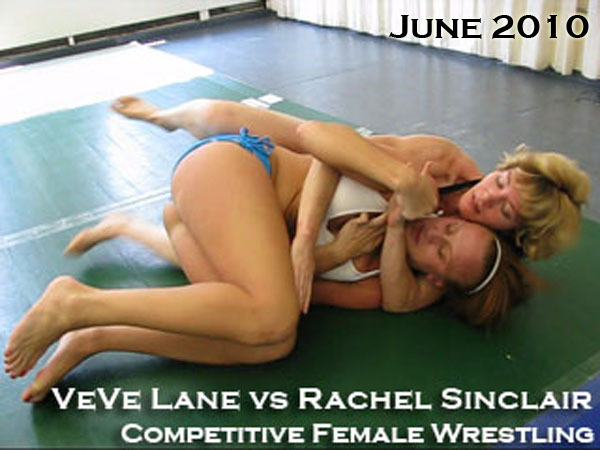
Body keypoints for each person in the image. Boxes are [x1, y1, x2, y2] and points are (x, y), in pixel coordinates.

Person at [4, 115, 532, 404]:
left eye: (442, 249)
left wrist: (342, 252)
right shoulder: (403, 182)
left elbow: (303, 289)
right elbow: (321, 142)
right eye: (452, 226)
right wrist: (318, 242)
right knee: (273, 319)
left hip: (211, 223)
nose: (437, 230)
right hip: (235, 163)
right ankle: (78, 304)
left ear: (436, 279)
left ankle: (96, 337)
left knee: (273, 341)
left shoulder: (377, 283)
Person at [110, 96, 590, 261]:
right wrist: (304, 242)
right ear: (502, 168)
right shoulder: (440, 161)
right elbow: (331, 150)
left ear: (518, 234)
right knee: (216, 116)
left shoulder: (478, 252)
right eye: (501, 182)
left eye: (505, 209)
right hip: (309, 159)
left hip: (328, 219)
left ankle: (128, 228)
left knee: (210, 259)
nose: (488, 197)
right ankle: (162, 116)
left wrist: (322, 252)